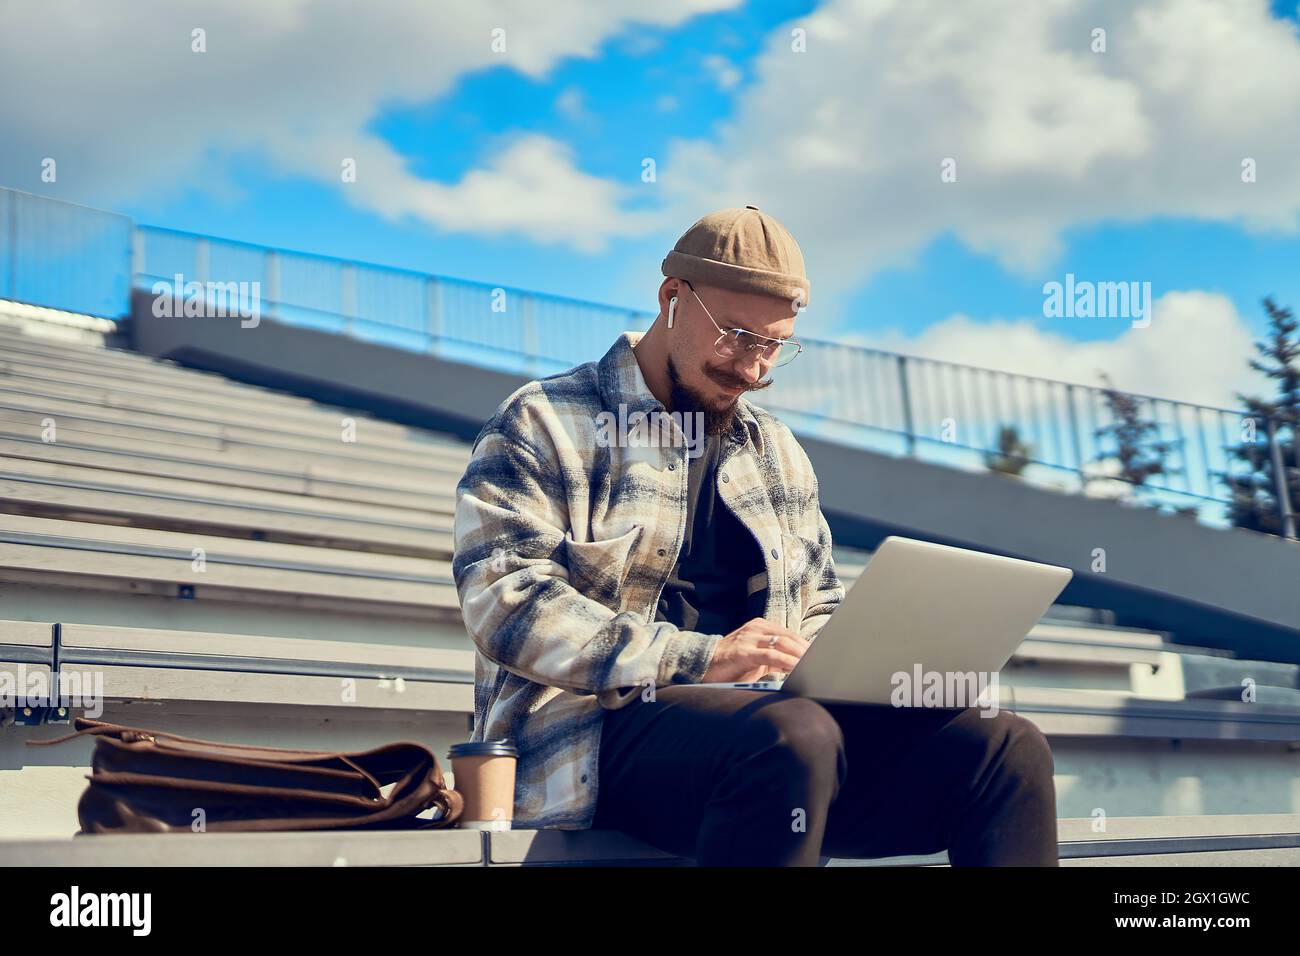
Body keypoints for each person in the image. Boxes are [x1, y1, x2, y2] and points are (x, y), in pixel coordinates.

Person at [451, 205, 1058, 865]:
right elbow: (504, 599)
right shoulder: (547, 419)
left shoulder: (776, 450)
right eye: (737, 334)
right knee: (792, 736)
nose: (752, 368)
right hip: (598, 735)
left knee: (1006, 745)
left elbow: (819, 602)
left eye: (773, 346)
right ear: (672, 299)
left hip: (781, 744)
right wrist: (701, 658)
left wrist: (885, 675)